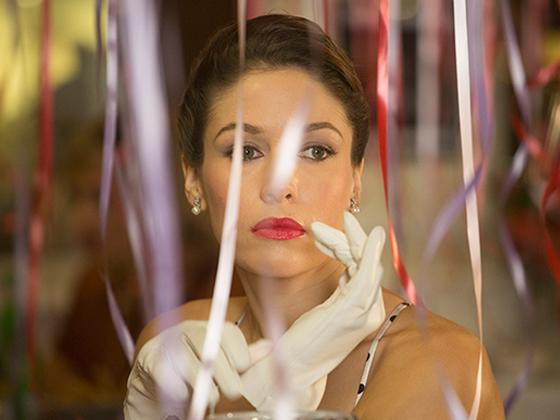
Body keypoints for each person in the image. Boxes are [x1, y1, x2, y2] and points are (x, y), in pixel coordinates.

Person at [124, 14, 505, 419]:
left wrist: (285, 372)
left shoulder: (440, 363)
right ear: (193, 178)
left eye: (316, 151)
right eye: (246, 151)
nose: (280, 186)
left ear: (355, 177)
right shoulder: (174, 344)